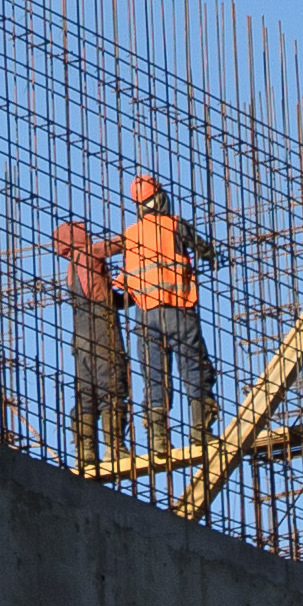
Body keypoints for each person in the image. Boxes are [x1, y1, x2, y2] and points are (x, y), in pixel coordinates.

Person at [118, 169, 222, 458]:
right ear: (162, 198)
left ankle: (158, 442)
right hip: (179, 311)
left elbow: (124, 286)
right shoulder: (175, 226)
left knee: (154, 379)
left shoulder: (130, 235)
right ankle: (202, 432)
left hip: (146, 318)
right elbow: (203, 249)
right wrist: (211, 255)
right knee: (195, 371)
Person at [52, 213, 133, 476]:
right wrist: (139, 235)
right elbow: (115, 245)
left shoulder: (71, 269)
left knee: (86, 391)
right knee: (111, 383)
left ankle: (85, 451)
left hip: (81, 335)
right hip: (101, 329)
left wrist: (128, 297)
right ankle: (115, 446)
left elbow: (109, 296)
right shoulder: (87, 254)